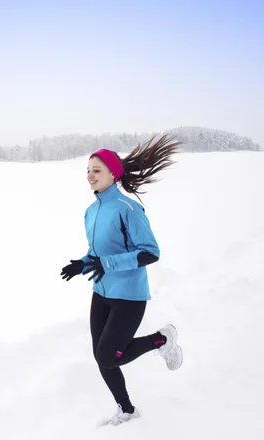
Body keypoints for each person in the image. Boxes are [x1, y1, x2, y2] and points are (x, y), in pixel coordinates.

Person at [60, 134, 184, 426]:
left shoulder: (128, 208)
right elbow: (99, 251)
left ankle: (162, 339)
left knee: (109, 356)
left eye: (97, 170)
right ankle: (127, 409)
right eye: (88, 170)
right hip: (101, 292)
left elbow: (150, 252)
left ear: (113, 174)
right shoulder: (91, 211)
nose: (90, 175)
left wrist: (107, 262)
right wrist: (85, 262)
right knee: (102, 356)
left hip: (129, 295)